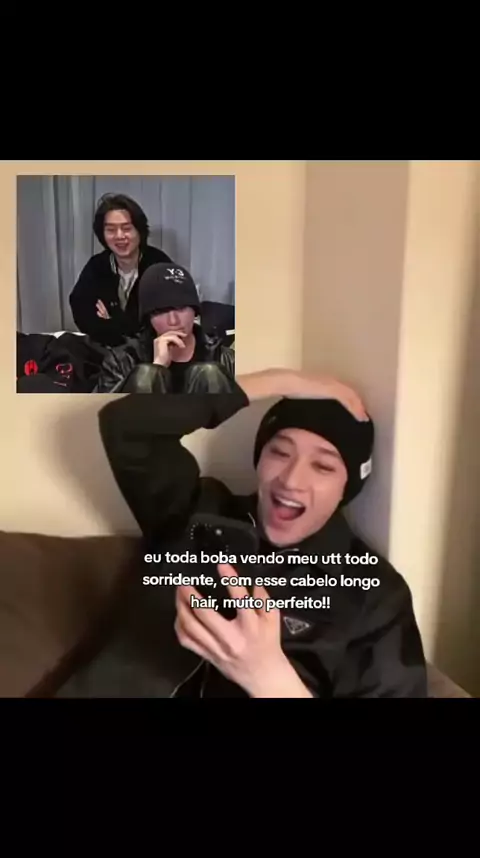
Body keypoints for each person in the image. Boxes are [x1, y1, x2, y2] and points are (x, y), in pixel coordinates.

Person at [56, 369, 427, 698]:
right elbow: (127, 423)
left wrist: (268, 678)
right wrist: (282, 381)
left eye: (323, 466)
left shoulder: (374, 595)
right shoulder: (196, 510)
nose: (291, 480)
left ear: (348, 486)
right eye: (280, 452)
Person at [93, 263, 235, 394]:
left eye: (181, 308)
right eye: (161, 311)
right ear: (148, 317)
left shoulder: (225, 358)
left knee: (210, 373)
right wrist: (157, 367)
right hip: (145, 414)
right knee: (145, 374)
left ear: (194, 311)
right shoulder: (123, 360)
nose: (173, 321)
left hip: (207, 413)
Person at [69, 194, 172, 347]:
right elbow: (82, 313)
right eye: (111, 230)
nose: (119, 236)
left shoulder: (159, 264)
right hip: (107, 351)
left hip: (152, 350)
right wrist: (124, 329)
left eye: (126, 228)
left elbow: (163, 321)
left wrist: (111, 322)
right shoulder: (97, 266)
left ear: (139, 230)